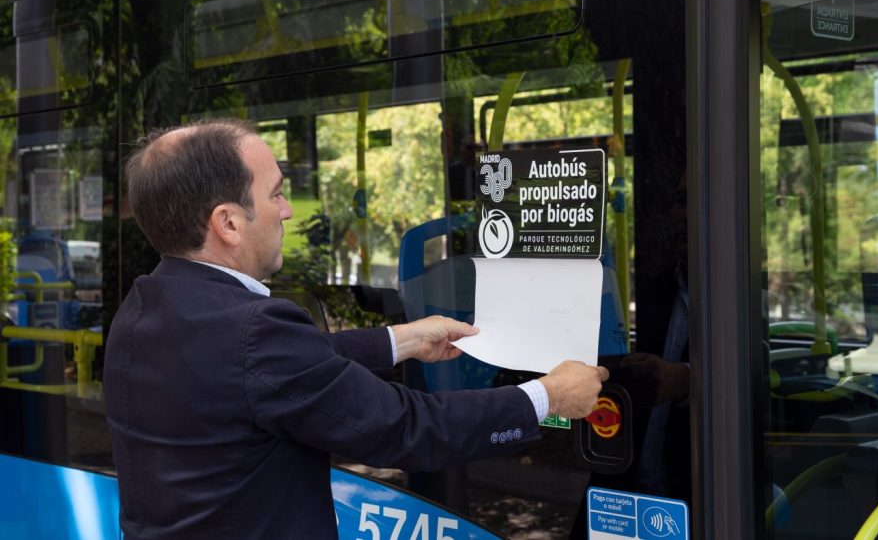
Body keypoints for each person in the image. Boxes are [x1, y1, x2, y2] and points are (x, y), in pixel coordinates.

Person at [104, 118, 608, 540]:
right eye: (277, 194)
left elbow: (266, 372)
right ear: (228, 223)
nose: (286, 211)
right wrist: (548, 396)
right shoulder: (252, 332)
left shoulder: (146, 307)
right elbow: (404, 428)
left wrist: (402, 340)